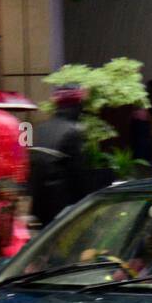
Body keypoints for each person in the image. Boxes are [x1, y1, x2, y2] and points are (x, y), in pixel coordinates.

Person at [28, 85, 89, 228]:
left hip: (39, 205)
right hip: (62, 207)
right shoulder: (74, 131)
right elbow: (78, 175)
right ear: (77, 105)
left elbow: (32, 167)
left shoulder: (40, 129)